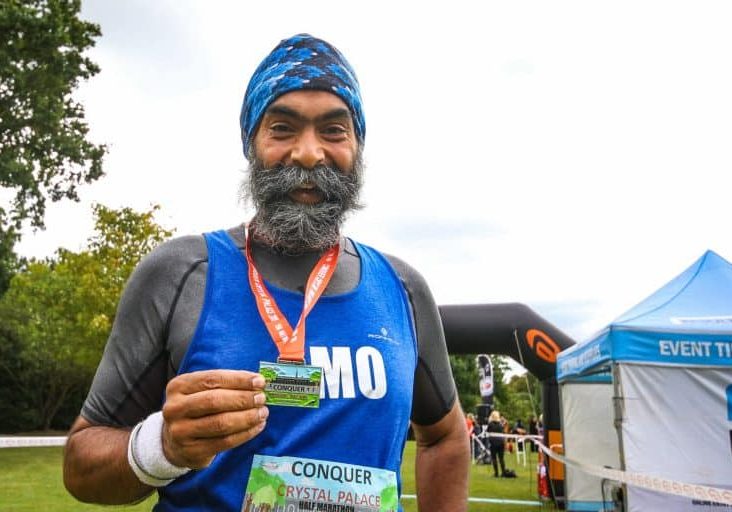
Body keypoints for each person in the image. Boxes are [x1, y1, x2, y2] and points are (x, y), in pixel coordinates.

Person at [62, 34, 469, 511]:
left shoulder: (402, 289)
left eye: (334, 130)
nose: (309, 153)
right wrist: (162, 448)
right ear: (251, 143)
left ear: (357, 145)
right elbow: (80, 464)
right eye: (283, 127)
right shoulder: (181, 274)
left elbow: (445, 438)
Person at [486, 410, 507, 477]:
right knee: (501, 458)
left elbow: (488, 431)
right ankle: (503, 472)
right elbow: (503, 432)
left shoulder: (490, 424)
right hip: (501, 443)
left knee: (494, 458)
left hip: (493, 443)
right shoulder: (500, 424)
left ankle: (496, 473)